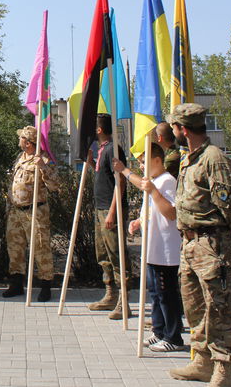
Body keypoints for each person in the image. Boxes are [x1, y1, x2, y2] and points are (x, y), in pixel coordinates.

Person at [167, 103, 231, 387]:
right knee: (194, 306)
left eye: (175, 126)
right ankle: (201, 361)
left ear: (183, 129)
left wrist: (217, 237)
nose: (174, 131)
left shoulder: (213, 159)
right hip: (189, 244)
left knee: (219, 308)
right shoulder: (189, 158)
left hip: (211, 244)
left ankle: (223, 369)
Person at [114, 143, 184, 352]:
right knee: (155, 291)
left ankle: (174, 336)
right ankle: (159, 331)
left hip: (165, 250)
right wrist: (138, 221)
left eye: (144, 162)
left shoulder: (167, 181)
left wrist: (149, 189)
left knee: (166, 293)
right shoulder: (155, 182)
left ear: (157, 160)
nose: (142, 167)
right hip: (153, 248)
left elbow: (171, 212)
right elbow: (151, 209)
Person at [1, 125, 61, 302]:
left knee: (41, 248)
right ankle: (16, 283)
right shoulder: (20, 158)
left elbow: (55, 185)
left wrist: (43, 167)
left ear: (28, 142)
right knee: (15, 248)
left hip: (35, 212)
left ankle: (45, 286)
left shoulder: (42, 160)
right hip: (15, 212)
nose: (19, 140)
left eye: (21, 138)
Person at [87, 113, 132, 320]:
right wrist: (90, 163)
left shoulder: (114, 150)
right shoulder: (102, 150)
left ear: (98, 130)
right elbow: (103, 176)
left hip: (110, 210)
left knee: (117, 255)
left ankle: (124, 301)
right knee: (103, 254)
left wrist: (113, 212)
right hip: (100, 209)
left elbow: (120, 182)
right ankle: (110, 294)